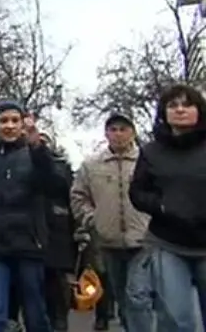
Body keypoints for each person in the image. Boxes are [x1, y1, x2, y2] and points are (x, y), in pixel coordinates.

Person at [0, 100, 69, 332]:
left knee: (35, 312)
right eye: (3, 121)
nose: (10, 126)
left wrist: (38, 150)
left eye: (15, 120)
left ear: (24, 124)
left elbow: (55, 187)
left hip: (28, 246)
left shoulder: (35, 155)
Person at [129, 83, 206, 331]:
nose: (180, 110)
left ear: (199, 111)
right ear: (163, 113)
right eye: (172, 105)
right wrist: (162, 205)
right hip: (168, 244)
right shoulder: (151, 151)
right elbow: (137, 192)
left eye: (187, 104)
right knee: (176, 319)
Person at [70, 113, 153, 332]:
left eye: (123, 129)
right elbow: (78, 196)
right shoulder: (91, 165)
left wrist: (154, 218)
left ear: (132, 133)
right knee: (121, 297)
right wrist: (92, 219)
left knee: (137, 294)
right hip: (108, 242)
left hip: (142, 241)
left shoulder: (147, 161)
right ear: (106, 133)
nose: (118, 134)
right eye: (113, 129)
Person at [40, 132, 77, 332]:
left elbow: (68, 193)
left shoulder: (61, 167)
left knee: (57, 284)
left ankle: (60, 321)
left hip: (58, 232)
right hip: (33, 231)